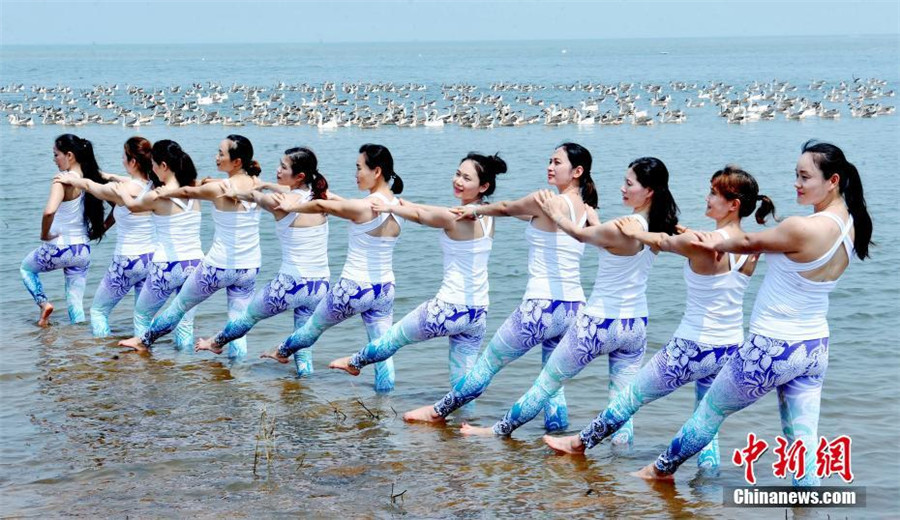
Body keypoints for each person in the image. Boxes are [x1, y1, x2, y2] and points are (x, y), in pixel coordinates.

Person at [636, 141, 872, 486]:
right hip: (814, 347)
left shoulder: (802, 227)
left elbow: (744, 243)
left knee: (710, 413)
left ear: (832, 180)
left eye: (805, 176)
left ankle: (657, 473)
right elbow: (751, 240)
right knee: (803, 443)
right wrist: (698, 234)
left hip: (772, 346)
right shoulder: (852, 225)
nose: (797, 183)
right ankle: (807, 505)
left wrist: (693, 239)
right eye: (796, 175)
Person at [543, 166, 774, 475]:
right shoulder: (749, 246)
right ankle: (707, 478)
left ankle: (581, 444)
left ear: (733, 204)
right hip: (729, 346)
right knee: (707, 419)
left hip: (691, 346)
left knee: (631, 397)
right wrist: (680, 228)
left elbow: (663, 242)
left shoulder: (700, 241)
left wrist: (635, 231)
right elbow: (677, 237)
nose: (706, 198)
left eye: (713, 194)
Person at [458, 157, 679, 443]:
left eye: (629, 183)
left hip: (599, 322)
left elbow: (579, 234)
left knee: (547, 383)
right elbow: (610, 243)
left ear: (648, 191)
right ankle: (619, 464)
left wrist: (554, 212)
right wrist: (597, 221)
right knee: (621, 402)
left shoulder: (625, 225)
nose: (622, 188)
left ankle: (496, 431)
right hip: (635, 324)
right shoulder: (652, 227)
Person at [402, 143, 598, 428]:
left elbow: (506, 207)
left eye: (557, 162)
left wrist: (477, 210)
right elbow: (516, 212)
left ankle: (438, 413)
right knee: (552, 384)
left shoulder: (546, 201)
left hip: (540, 307)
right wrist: (482, 210)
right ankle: (556, 436)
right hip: (572, 308)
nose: (550, 166)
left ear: (577, 171)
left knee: (487, 365)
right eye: (549, 160)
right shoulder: (582, 208)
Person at [328, 152, 508, 398]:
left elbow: (423, 216)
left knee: (393, 338)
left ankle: (356, 362)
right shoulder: (487, 213)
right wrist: (401, 204)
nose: (458, 181)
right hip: (477, 313)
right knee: (461, 381)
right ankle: (464, 428)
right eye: (457, 174)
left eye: (466, 178)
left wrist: (392, 206)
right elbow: (430, 209)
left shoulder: (454, 217)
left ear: (483, 186)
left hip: (447, 309)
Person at [259, 144, 404, 392]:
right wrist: (271, 186)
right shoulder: (396, 205)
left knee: (311, 329)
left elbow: (322, 205)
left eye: (359, 168)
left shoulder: (363, 205)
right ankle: (385, 406)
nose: (356, 173)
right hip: (385, 289)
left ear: (376, 171)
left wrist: (293, 207)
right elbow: (334, 199)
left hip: (354, 287)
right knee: (381, 350)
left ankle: (281, 350)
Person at [118, 135, 262, 357]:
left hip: (218, 266)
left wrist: (166, 191)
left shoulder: (219, 188)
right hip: (250, 266)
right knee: (237, 320)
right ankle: (238, 372)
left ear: (237, 162)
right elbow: (198, 187)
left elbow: (187, 191)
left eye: (221, 153)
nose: (216, 156)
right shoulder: (257, 185)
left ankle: (144, 341)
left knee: (178, 307)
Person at [195, 147, 332, 376]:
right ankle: (304, 380)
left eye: (283, 167)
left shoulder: (280, 202)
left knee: (248, 317)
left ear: (299, 176)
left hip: (291, 283)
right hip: (320, 283)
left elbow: (253, 196)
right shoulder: (319, 198)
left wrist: (238, 192)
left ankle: (216, 343)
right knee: (301, 335)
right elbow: (276, 190)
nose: (278, 170)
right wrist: (267, 184)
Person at [54, 137, 157, 337]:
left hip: (127, 260)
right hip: (150, 259)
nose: (122, 160)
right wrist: (105, 174)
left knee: (98, 311)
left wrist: (72, 179)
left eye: (124, 157)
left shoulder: (121, 191)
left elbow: (92, 187)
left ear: (133, 162)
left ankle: (104, 359)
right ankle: (145, 355)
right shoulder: (153, 186)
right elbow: (121, 179)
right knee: (143, 315)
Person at [114, 140, 204, 349]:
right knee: (184, 321)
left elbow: (132, 206)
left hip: (168, 265)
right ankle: (186, 364)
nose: (152, 169)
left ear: (164, 166)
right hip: (196, 263)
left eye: (154, 164)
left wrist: (121, 191)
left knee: (143, 313)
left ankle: (142, 358)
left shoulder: (157, 195)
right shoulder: (193, 190)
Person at [21, 134, 108, 327]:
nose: (54, 160)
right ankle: (78, 342)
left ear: (70, 155)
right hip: (82, 250)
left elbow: (49, 211)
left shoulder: (62, 180)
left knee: (26, 268)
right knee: (75, 301)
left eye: (56, 155)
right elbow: (119, 206)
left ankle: (43, 304)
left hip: (59, 247)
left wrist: (44, 235)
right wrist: (101, 229)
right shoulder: (91, 178)